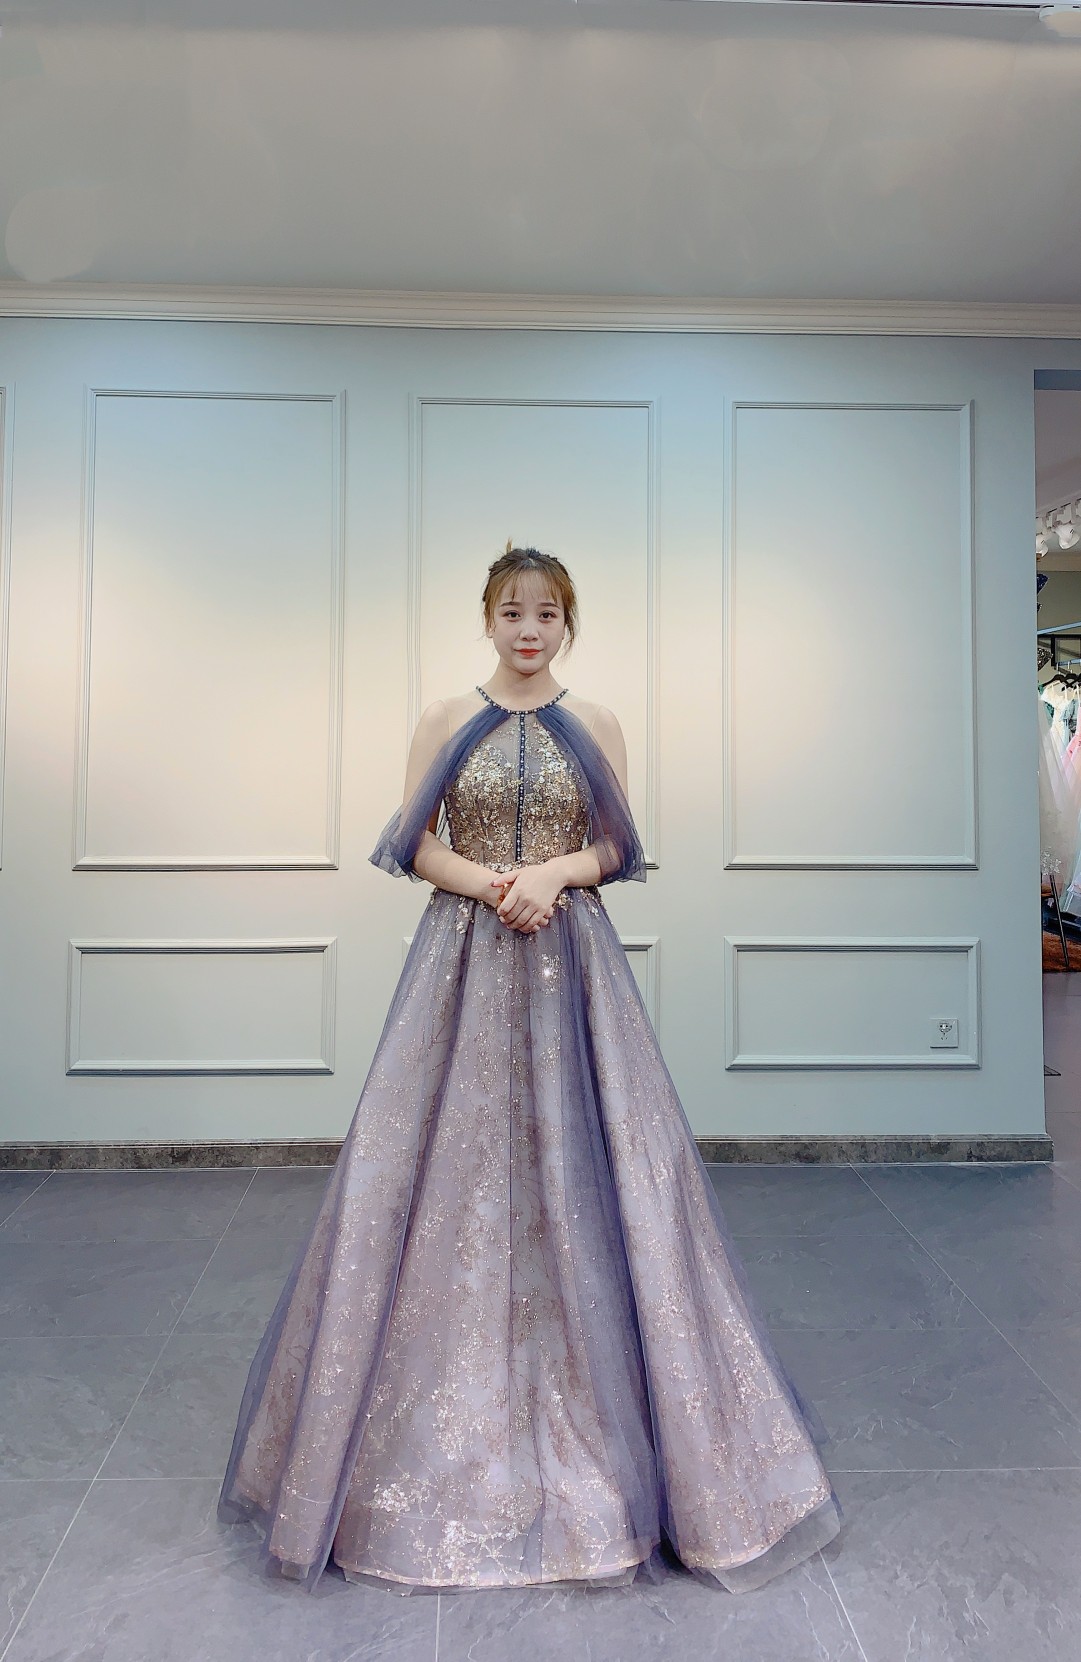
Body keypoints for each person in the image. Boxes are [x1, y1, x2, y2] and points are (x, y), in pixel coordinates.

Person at [217, 544, 843, 1596]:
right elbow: (411, 842)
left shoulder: (595, 722)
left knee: (594, 1176)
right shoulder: (441, 719)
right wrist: (496, 886)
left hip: (570, 963)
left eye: (546, 614)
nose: (527, 630)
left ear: (566, 624)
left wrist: (553, 874)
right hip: (461, 959)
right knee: (441, 1176)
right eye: (512, 612)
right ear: (487, 618)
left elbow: (617, 846)